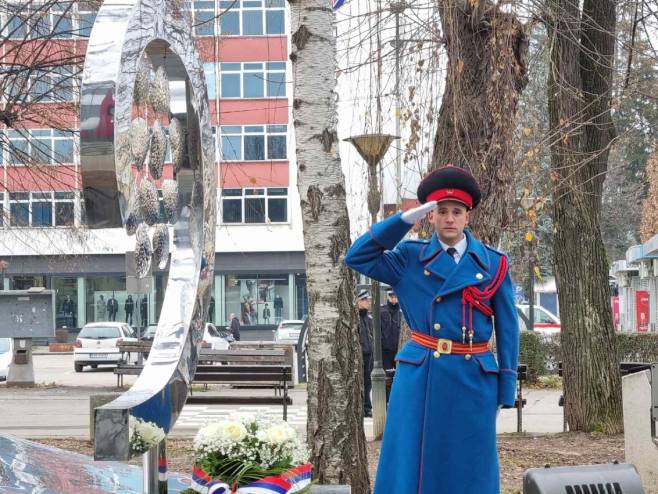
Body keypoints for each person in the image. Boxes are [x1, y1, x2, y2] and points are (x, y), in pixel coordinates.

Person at [344, 164, 519, 494]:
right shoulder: (409, 257)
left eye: (457, 211)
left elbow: (508, 328)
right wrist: (403, 220)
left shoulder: (494, 263)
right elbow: (358, 257)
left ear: (468, 217)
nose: (449, 218)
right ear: (431, 217)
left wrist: (506, 385)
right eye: (441, 211)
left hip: (474, 376)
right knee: (410, 461)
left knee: (471, 463)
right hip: (422, 373)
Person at [356, 289, 373, 418]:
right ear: (359, 301)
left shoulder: (368, 317)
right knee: (360, 382)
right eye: (365, 300)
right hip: (359, 354)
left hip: (368, 354)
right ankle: (360, 407)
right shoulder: (356, 317)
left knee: (368, 383)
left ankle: (367, 407)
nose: (368, 302)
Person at [380, 289, 401, 371]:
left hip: (399, 349)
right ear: (388, 297)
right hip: (386, 350)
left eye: (395, 297)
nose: (394, 299)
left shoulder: (401, 312)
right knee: (387, 375)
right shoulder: (382, 311)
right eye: (391, 297)